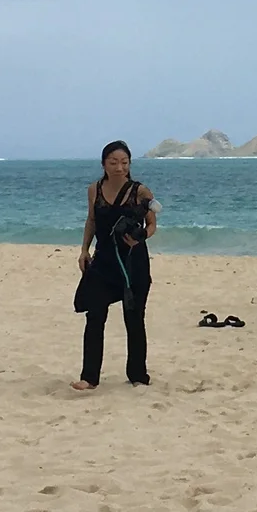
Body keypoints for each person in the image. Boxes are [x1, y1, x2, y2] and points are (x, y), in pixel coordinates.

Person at [73, 141, 156, 388]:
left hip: (133, 263)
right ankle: (89, 377)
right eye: (113, 162)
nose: (119, 167)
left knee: (134, 318)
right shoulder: (94, 189)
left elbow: (152, 224)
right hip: (104, 261)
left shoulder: (140, 191)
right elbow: (91, 221)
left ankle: (138, 376)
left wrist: (141, 236)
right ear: (103, 165)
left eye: (124, 162)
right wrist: (84, 250)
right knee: (95, 315)